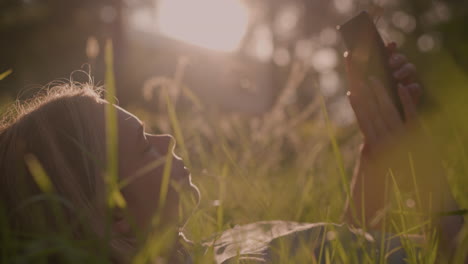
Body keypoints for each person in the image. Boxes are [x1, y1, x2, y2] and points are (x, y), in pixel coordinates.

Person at [0, 44, 464, 264]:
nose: (169, 141)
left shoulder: (212, 249)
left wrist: (380, 149)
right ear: (115, 215)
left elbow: (353, 248)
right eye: (145, 146)